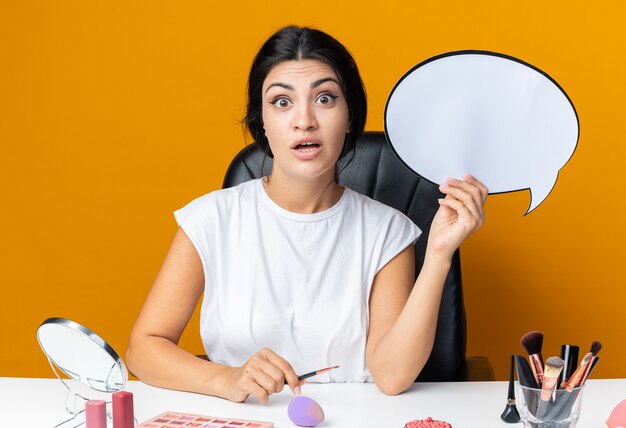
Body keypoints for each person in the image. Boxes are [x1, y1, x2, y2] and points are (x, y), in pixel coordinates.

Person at [126, 25, 487, 404]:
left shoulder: (388, 231)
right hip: (241, 417)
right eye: (282, 102)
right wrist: (226, 379)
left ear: (349, 118)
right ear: (261, 122)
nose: (304, 120)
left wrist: (439, 253)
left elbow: (393, 376)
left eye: (325, 98)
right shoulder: (210, 219)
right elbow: (143, 349)